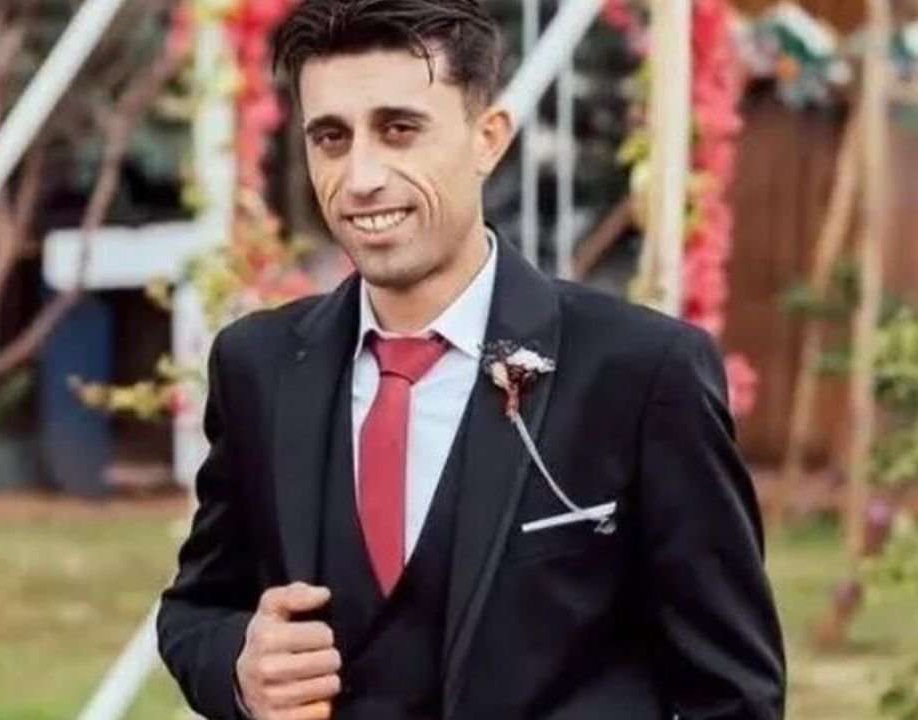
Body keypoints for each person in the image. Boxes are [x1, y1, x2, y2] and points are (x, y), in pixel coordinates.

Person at [157, 1, 786, 718]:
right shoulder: (258, 366)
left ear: (488, 139)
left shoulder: (643, 372)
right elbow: (196, 609)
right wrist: (240, 669)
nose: (360, 176)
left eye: (399, 130)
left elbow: (734, 694)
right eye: (331, 137)